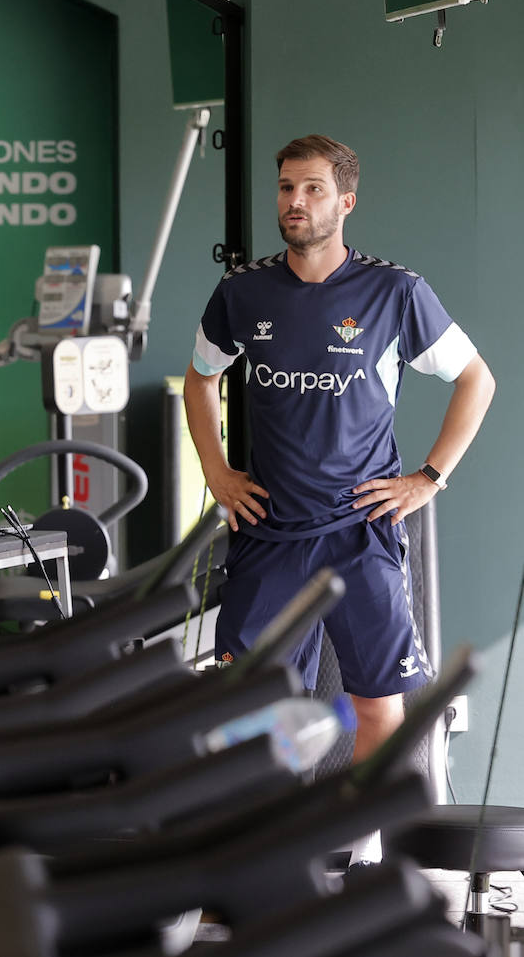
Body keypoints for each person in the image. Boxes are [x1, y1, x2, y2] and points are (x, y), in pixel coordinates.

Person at [184, 134, 495, 769]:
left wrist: (429, 477)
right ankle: (267, 841)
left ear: (345, 201)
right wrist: (216, 471)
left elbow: (476, 380)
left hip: (362, 529)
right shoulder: (242, 294)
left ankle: (368, 848)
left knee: (378, 702)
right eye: (286, 188)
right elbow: (200, 377)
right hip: (269, 529)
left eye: (312, 188)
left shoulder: (395, 291)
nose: (295, 201)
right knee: (247, 702)